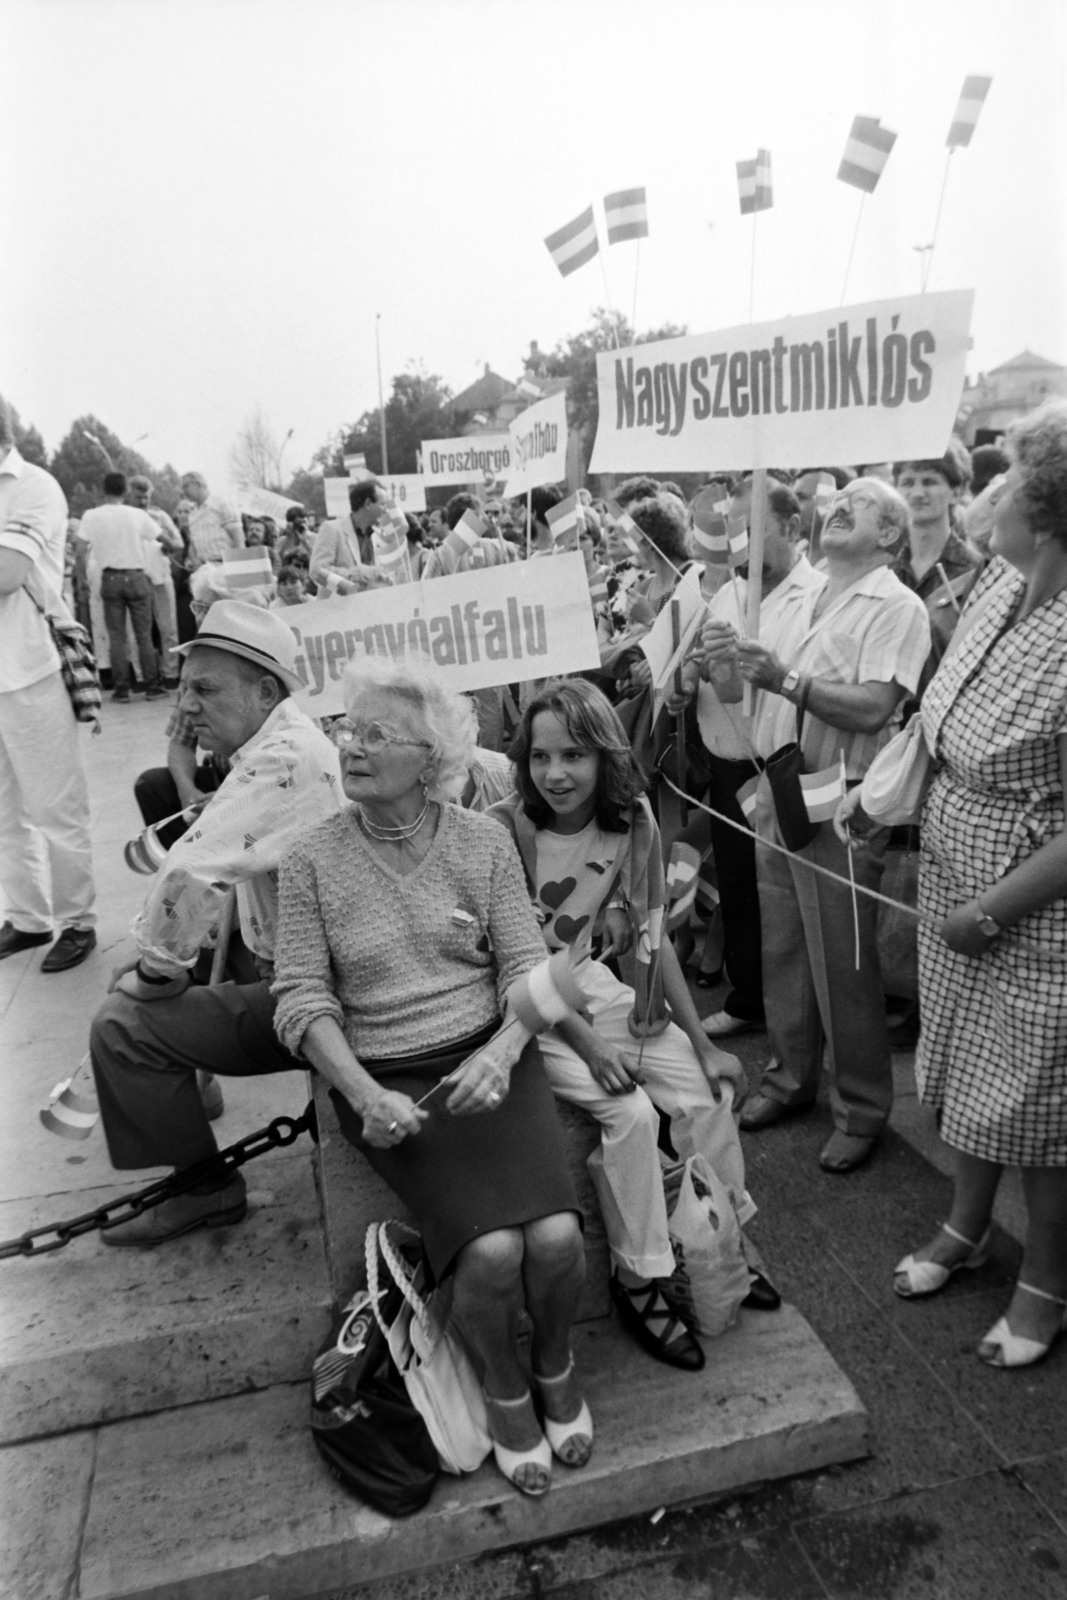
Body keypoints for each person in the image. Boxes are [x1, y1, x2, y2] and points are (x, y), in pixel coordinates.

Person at [272, 656, 590, 1496]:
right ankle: (503, 1386)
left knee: (555, 1236)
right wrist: (361, 1091)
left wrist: (501, 1050)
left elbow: (527, 965)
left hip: (493, 1058)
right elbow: (299, 998)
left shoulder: (481, 841)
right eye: (347, 727)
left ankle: (555, 1362)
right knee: (488, 1252)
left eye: (377, 733)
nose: (350, 745)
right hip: (388, 1077)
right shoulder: (310, 859)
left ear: (432, 756)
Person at [841, 400, 1067, 1367]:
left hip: (1032, 900)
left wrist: (992, 907)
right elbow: (933, 721)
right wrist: (879, 803)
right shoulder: (990, 589)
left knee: (1043, 1105)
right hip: (952, 870)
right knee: (968, 1071)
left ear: (1049, 507)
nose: (992, 494)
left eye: (1011, 482)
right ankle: (966, 1225)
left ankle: (1046, 1284)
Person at [492, 679, 772, 1373]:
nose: (554, 774)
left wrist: (702, 1043)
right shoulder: (502, 826)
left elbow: (653, 937)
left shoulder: (633, 820)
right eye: (539, 756)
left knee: (705, 1094)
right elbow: (512, 962)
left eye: (574, 756)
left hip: (586, 984)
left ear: (605, 758)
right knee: (632, 1116)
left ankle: (723, 1240)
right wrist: (586, 1044)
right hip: (520, 1000)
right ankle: (639, 1277)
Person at [90, 602, 344, 1240]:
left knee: (123, 1022)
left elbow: (191, 870)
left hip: (322, 996)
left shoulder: (284, 757)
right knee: (162, 976)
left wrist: (152, 972)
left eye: (204, 689)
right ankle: (185, 1087)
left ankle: (204, 1186)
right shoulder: (275, 739)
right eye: (182, 690)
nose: (187, 706)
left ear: (264, 691)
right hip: (296, 963)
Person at [705, 478, 930, 1172]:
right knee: (784, 948)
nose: (838, 507)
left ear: (889, 537)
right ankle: (789, 1077)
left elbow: (870, 708)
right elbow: (743, 688)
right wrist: (719, 664)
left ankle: (860, 1108)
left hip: (841, 798)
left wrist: (787, 680)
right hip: (783, 785)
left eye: (859, 505)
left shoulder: (898, 606)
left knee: (842, 961)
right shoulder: (805, 593)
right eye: (839, 501)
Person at [679, 478, 824, 1037]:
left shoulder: (819, 597)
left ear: (791, 528)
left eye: (752, 528)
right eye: (734, 528)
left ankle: (797, 1017)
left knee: (785, 900)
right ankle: (750, 998)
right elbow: (716, 680)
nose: (740, 543)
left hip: (779, 768)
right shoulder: (731, 593)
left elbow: (779, 684)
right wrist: (688, 679)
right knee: (739, 888)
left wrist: (744, 669)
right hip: (727, 762)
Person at [0, 405, 97, 971]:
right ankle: (29, 918)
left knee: (56, 808)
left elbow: (8, 574)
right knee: (4, 811)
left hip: (30, 669)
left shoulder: (35, 487)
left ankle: (78, 921)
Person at [80, 471, 166, 701]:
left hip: (109, 578)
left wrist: (82, 579)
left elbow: (80, 550)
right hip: (136, 576)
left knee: (116, 637)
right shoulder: (137, 514)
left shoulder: (90, 516)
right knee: (144, 636)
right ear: (126, 491)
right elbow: (163, 539)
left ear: (103, 490)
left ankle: (121, 689)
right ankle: (152, 687)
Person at [128, 475, 182, 687]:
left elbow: (178, 542)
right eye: (138, 497)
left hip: (161, 577)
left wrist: (168, 545)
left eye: (146, 497)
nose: (143, 502)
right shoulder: (124, 517)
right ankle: (142, 676)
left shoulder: (160, 515)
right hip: (135, 577)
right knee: (136, 631)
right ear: (128, 495)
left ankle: (170, 674)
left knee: (168, 628)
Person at [310, 480, 391, 591]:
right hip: (338, 607)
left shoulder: (380, 536)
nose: (386, 510)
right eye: (382, 504)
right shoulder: (332, 529)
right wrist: (353, 576)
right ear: (367, 504)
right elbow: (316, 572)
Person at [181, 472, 244, 564]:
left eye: (185, 486)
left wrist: (238, 567)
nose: (183, 491)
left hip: (225, 565)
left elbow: (238, 537)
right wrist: (194, 559)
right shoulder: (192, 513)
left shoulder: (222, 503)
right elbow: (193, 544)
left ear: (197, 484)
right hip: (204, 569)